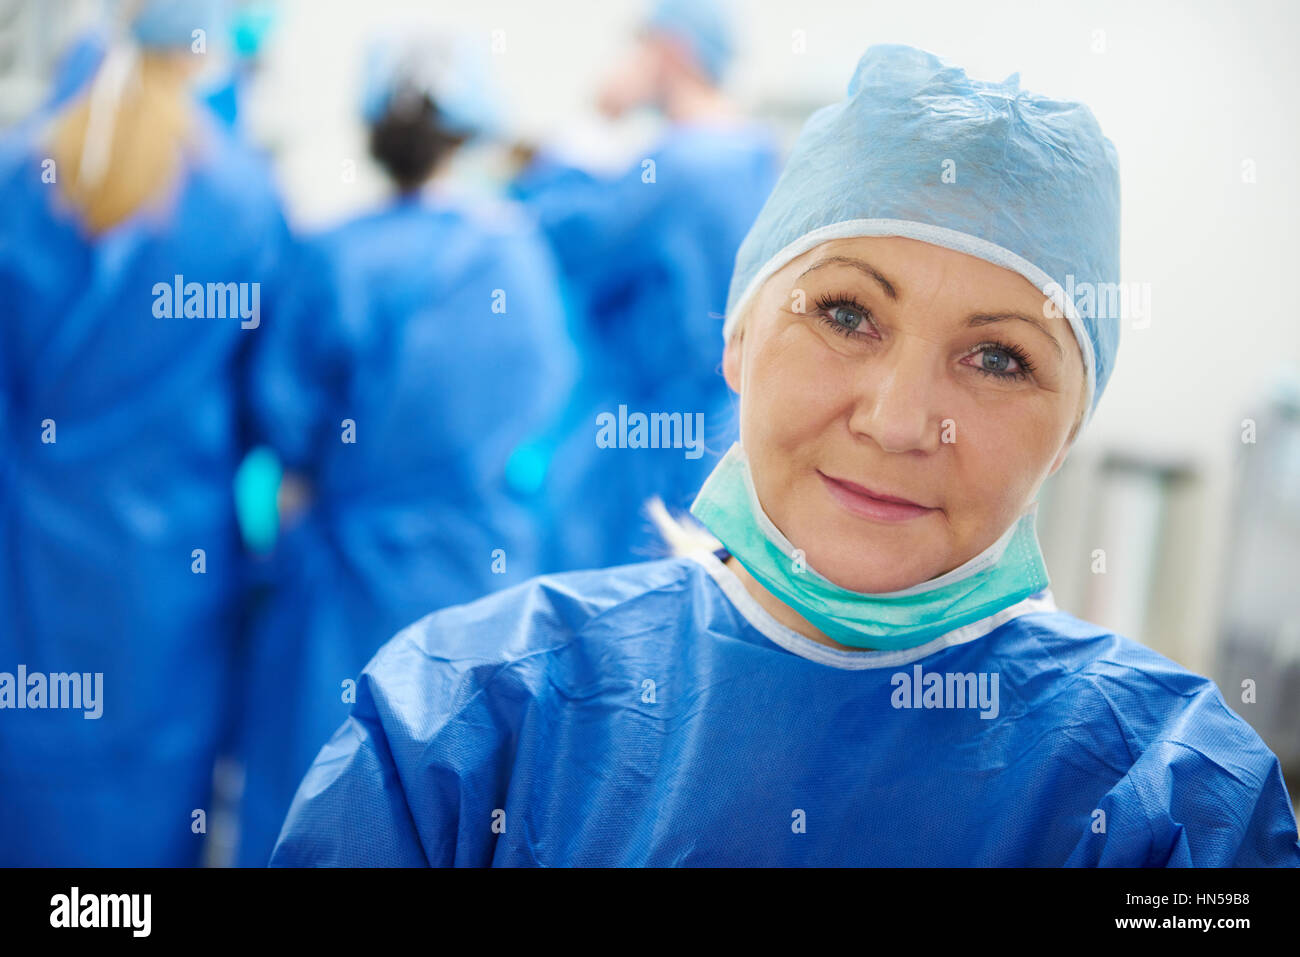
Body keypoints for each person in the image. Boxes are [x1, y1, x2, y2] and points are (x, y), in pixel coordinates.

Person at [268, 44, 1300, 867]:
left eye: (998, 357)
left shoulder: (1170, 809)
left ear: (1069, 432)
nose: (900, 420)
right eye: (846, 311)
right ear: (736, 339)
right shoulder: (465, 727)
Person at [231, 31, 575, 867]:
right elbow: (544, 402)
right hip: (477, 577)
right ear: (472, 133)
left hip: (339, 585)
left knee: (316, 796)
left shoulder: (335, 256)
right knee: (465, 806)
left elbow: (284, 419)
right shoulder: (520, 257)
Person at [0, 0, 287, 866]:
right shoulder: (239, 198)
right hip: (165, 572)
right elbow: (279, 404)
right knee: (147, 804)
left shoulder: (25, 172)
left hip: (25, 563)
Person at [510, 0, 780, 572]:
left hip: (634, 451)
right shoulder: (758, 157)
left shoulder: (680, 166)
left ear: (669, 51)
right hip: (717, 442)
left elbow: (563, 234)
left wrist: (592, 122)